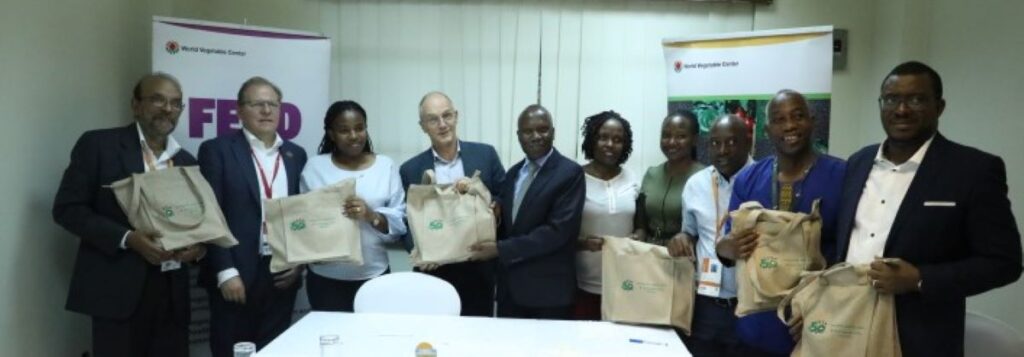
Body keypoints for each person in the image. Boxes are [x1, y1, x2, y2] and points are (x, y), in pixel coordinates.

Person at [834, 61, 1021, 356]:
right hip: (846, 327)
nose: (902, 109)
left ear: (940, 106)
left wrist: (920, 278)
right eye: (892, 99)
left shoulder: (973, 170)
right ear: (880, 104)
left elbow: (1004, 262)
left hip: (919, 339)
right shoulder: (858, 162)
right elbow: (841, 245)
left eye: (917, 99)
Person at [53, 72, 205, 356]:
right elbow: (67, 209)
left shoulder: (187, 162)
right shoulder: (99, 145)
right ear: (136, 105)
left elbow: (197, 224)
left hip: (172, 295)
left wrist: (197, 249)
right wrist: (127, 238)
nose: (167, 109)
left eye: (175, 103)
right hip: (117, 292)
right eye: (158, 99)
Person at [715, 90, 846, 356]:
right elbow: (730, 246)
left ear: (812, 120)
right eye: (779, 119)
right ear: (767, 129)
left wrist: (820, 308)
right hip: (756, 325)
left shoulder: (842, 175)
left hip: (815, 325)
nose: (789, 125)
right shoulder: (749, 179)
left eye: (798, 116)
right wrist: (725, 248)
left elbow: (850, 255)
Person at [198, 77, 308, 356]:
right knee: (231, 348)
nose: (266, 111)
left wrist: (299, 263)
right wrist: (224, 271)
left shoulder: (296, 154)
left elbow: (301, 216)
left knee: (276, 348)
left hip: (281, 272)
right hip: (236, 272)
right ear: (239, 110)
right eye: (257, 104)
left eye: (273, 104)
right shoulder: (218, 150)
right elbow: (210, 214)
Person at [468, 104, 585, 320]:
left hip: (548, 295)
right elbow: (509, 223)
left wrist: (500, 250)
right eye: (528, 131)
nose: (536, 136)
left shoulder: (570, 173)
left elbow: (557, 232)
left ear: (553, 132)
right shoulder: (513, 173)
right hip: (509, 292)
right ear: (518, 136)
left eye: (543, 129)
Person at [399, 91, 505, 317]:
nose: (442, 124)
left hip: (479, 268)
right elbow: (405, 220)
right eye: (433, 119)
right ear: (423, 126)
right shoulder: (410, 170)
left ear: (456, 116)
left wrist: (493, 206)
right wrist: (418, 252)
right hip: (434, 272)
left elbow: (504, 196)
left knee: (476, 340)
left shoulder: (485, 154)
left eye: (447, 115)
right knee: (436, 338)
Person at [300, 100, 407, 312]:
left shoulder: (385, 166)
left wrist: (371, 215)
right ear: (331, 134)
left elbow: (399, 224)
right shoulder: (315, 167)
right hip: (325, 278)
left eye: (359, 128)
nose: (354, 136)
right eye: (344, 130)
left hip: (374, 275)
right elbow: (304, 222)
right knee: (330, 339)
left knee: (373, 341)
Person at [667, 114, 756, 356]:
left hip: (751, 305)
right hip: (706, 305)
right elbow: (689, 231)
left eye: (731, 142)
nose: (722, 150)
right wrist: (682, 237)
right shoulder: (696, 184)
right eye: (715, 143)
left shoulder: (765, 180)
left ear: (747, 143)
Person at [572, 110, 641, 320]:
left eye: (617, 139)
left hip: (625, 284)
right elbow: (559, 231)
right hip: (582, 285)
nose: (610, 144)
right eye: (603, 137)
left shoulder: (633, 178)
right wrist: (583, 243)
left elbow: (641, 224)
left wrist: (639, 236)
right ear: (592, 140)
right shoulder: (574, 178)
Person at [637, 110, 706, 246]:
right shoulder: (651, 173)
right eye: (666, 135)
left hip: (686, 257)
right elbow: (641, 221)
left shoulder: (705, 177)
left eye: (681, 136)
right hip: (650, 254)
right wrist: (639, 234)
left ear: (694, 140)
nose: (672, 142)